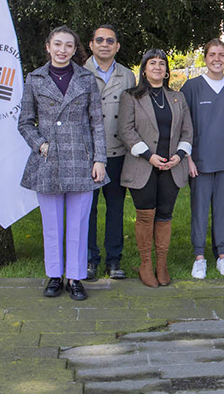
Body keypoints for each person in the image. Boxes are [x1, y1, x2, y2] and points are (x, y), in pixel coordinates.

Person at [18, 26, 107, 301]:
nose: (63, 50)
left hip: (81, 159)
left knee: (79, 223)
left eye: (68, 45)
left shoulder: (86, 79)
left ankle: (76, 277)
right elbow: (24, 122)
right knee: (52, 223)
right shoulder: (34, 79)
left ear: (75, 49)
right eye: (57, 44)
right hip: (49, 160)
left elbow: (97, 122)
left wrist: (100, 159)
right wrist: (41, 145)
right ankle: (55, 275)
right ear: (48, 47)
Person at [118, 50, 193, 287]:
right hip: (143, 165)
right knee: (145, 215)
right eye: (152, 63)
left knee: (164, 215)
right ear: (144, 69)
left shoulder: (177, 98)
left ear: (167, 70)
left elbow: (188, 131)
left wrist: (179, 156)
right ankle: (145, 265)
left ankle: (161, 265)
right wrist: (149, 156)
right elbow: (126, 131)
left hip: (172, 166)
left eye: (162, 64)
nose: (158, 67)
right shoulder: (131, 96)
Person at [182, 39, 224, 279]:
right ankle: (199, 256)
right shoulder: (191, 87)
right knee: (199, 210)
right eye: (212, 54)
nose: (217, 59)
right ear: (205, 58)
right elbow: (183, 126)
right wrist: (187, 158)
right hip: (200, 161)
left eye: (221, 54)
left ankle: (223, 256)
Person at [83, 25, 136, 281]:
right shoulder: (79, 73)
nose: (105, 44)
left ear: (117, 47)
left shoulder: (128, 76)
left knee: (115, 208)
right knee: (88, 209)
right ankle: (90, 259)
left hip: (117, 152)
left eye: (110, 41)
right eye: (99, 40)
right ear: (91, 45)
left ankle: (114, 260)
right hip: (88, 154)